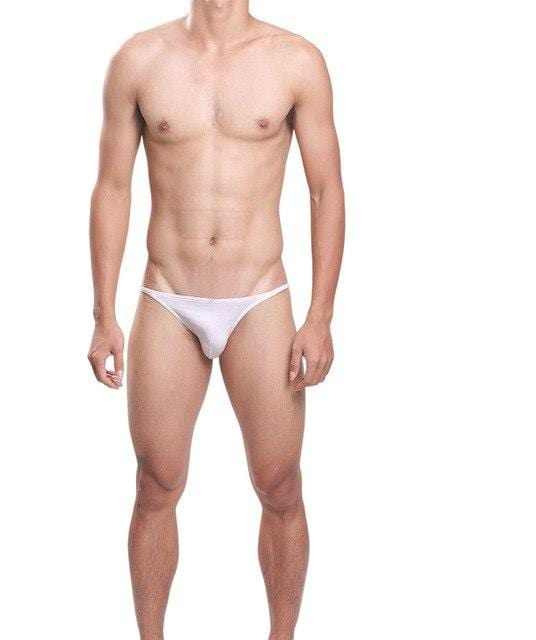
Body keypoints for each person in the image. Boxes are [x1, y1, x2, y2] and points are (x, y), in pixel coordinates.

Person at [87, 1, 345, 638]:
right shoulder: (138, 60)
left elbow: (326, 190)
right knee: (156, 484)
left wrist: (320, 317)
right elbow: (112, 187)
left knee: (280, 485)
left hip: (260, 295)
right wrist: (103, 315)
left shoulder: (296, 60)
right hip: (167, 294)